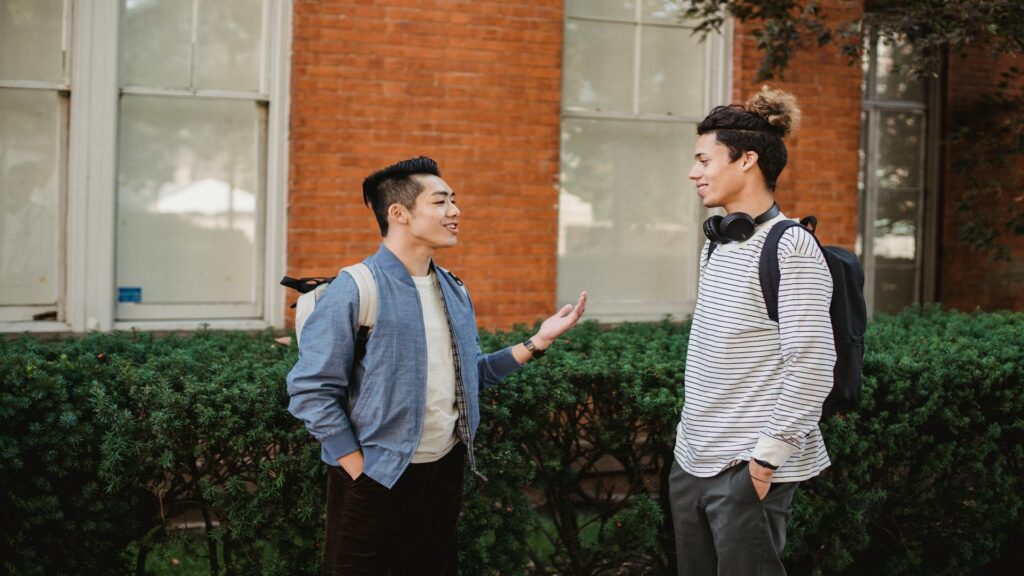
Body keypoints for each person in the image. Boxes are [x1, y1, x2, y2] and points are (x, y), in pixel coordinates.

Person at [287, 156, 586, 575]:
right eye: (441, 201)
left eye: (454, 201)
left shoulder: (453, 288)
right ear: (399, 213)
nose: (455, 211)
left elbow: (468, 377)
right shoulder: (357, 288)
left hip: (443, 469)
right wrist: (356, 466)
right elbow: (311, 390)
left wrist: (539, 340)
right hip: (375, 474)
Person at [669, 89, 836, 575]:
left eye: (704, 159)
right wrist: (686, 449)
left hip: (746, 467)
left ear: (746, 160)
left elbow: (812, 365)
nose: (693, 172)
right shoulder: (718, 243)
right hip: (692, 459)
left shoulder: (792, 247)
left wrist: (764, 463)